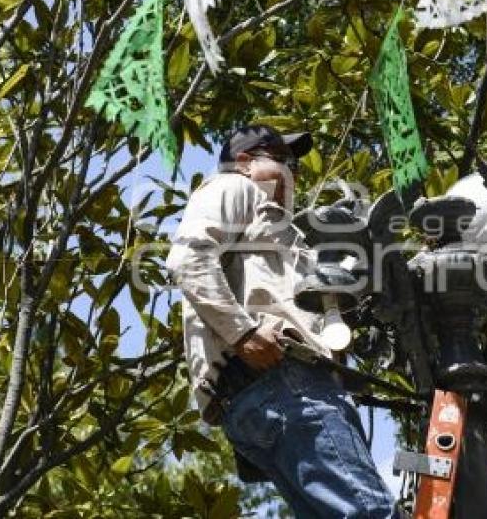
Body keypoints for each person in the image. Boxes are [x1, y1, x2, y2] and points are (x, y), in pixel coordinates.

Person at [164, 125, 401, 518]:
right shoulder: (235, 189)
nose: (294, 172)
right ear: (243, 163)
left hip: (259, 395)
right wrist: (243, 333)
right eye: (283, 160)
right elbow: (188, 259)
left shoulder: (281, 232)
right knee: (370, 512)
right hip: (284, 379)